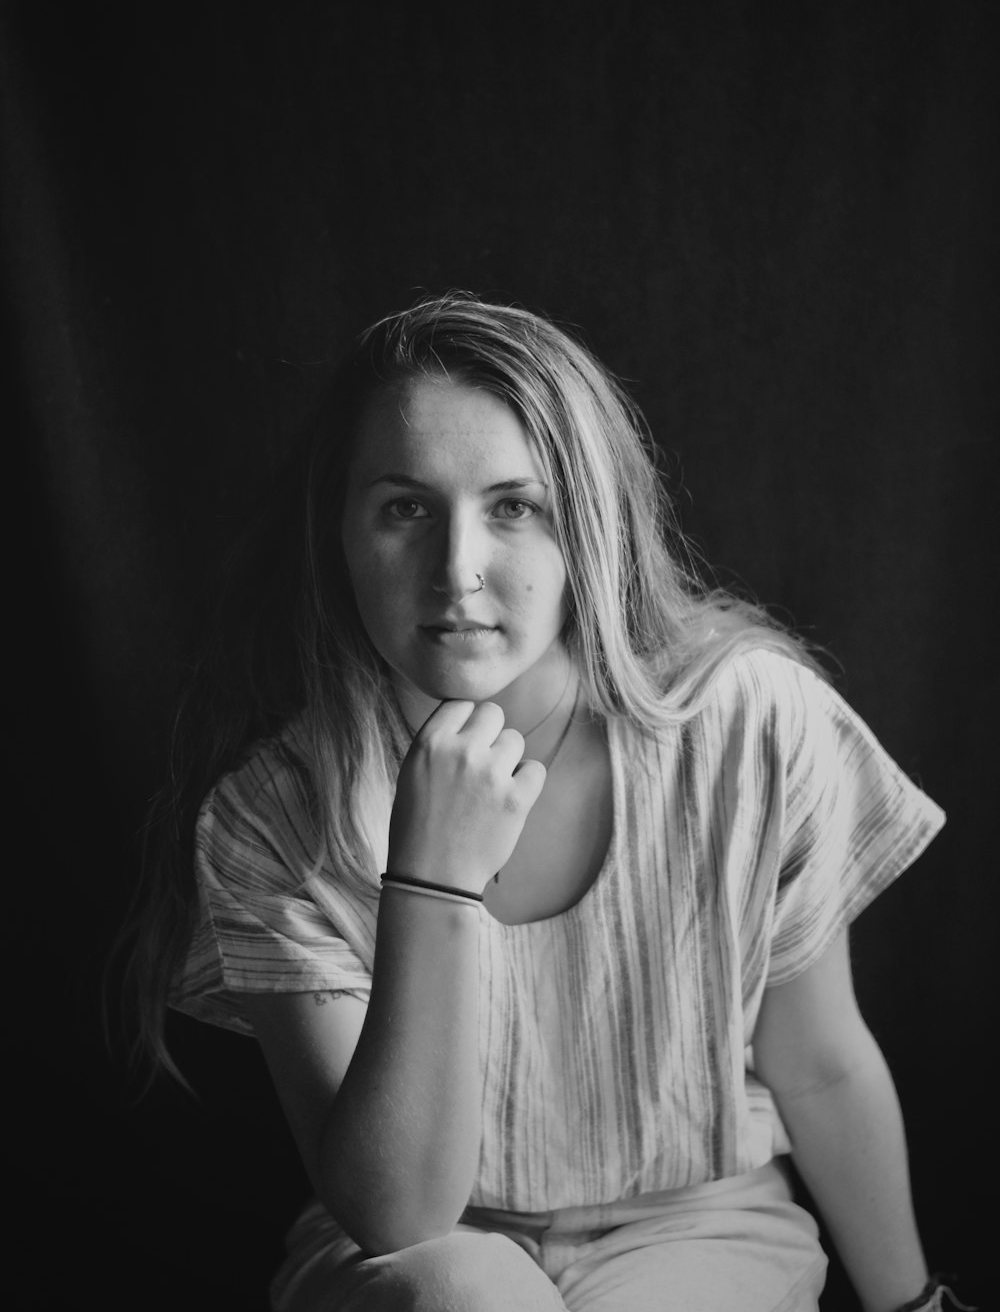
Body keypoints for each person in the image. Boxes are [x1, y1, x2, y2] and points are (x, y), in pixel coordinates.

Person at [127, 293, 957, 1312]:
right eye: (404, 507)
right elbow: (397, 1214)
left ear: (589, 531)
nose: (458, 571)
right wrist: (431, 881)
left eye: (514, 506)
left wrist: (915, 1305)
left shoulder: (748, 723)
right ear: (338, 534)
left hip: (701, 1222)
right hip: (422, 1251)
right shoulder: (270, 818)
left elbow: (819, 1064)